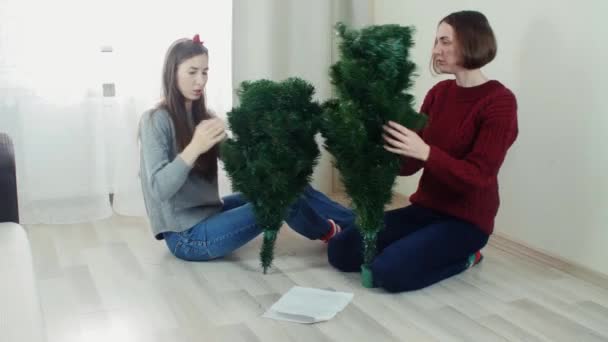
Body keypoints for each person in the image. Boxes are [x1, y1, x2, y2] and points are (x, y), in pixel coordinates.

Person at [327, 10, 519, 292]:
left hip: (467, 222)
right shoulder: (439, 94)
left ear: (470, 42)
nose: (435, 51)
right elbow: (410, 165)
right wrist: (383, 139)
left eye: (444, 41)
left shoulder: (499, 102)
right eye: (435, 42)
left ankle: (468, 257)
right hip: (425, 209)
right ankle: (415, 250)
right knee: (341, 250)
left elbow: (479, 176)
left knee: (389, 273)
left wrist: (427, 152)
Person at [138, 35, 353, 261]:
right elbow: (158, 190)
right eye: (192, 72)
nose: (200, 81)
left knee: (292, 186)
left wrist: (268, 144)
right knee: (283, 200)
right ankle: (332, 234)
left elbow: (241, 166)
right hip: (187, 237)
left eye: (205, 72)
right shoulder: (155, 120)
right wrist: (195, 148)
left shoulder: (202, 117)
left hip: (212, 211)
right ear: (172, 73)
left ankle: (359, 225)